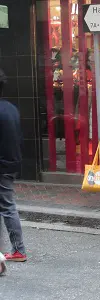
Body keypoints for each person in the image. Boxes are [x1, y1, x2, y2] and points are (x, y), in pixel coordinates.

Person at [0, 70, 27, 262]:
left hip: (1, 165)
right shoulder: (11, 108)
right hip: (10, 163)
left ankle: (18, 250)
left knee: (7, 207)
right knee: (6, 206)